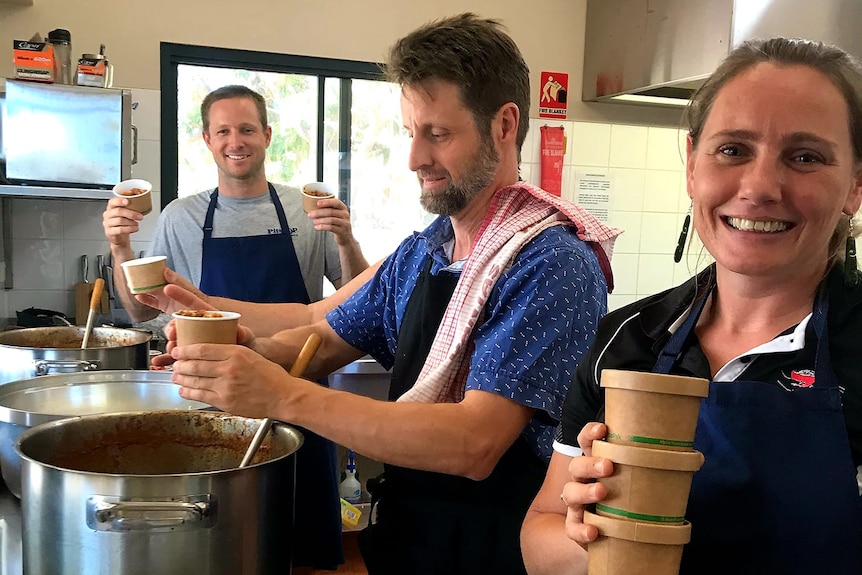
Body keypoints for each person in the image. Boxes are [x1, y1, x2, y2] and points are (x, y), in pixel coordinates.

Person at [160, 13, 621, 575]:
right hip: (412, 536)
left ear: (504, 125)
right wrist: (247, 349)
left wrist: (282, 396)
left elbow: (475, 443)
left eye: (438, 133)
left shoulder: (551, 263)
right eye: (410, 133)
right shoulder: (424, 251)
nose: (414, 159)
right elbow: (323, 338)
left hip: (497, 545)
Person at [520, 37, 862, 575]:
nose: (759, 186)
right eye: (733, 149)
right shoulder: (625, 339)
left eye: (805, 157)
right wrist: (593, 536)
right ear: (692, 165)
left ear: (855, 184)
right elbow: (539, 536)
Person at [103, 84, 371, 571]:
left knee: (301, 540)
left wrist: (347, 239)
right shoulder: (180, 217)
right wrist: (121, 248)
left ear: (267, 135)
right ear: (207, 139)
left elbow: (353, 300)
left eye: (247, 129)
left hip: (301, 386)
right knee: (220, 542)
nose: (236, 140)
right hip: (216, 401)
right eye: (223, 130)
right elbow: (142, 311)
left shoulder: (306, 211)